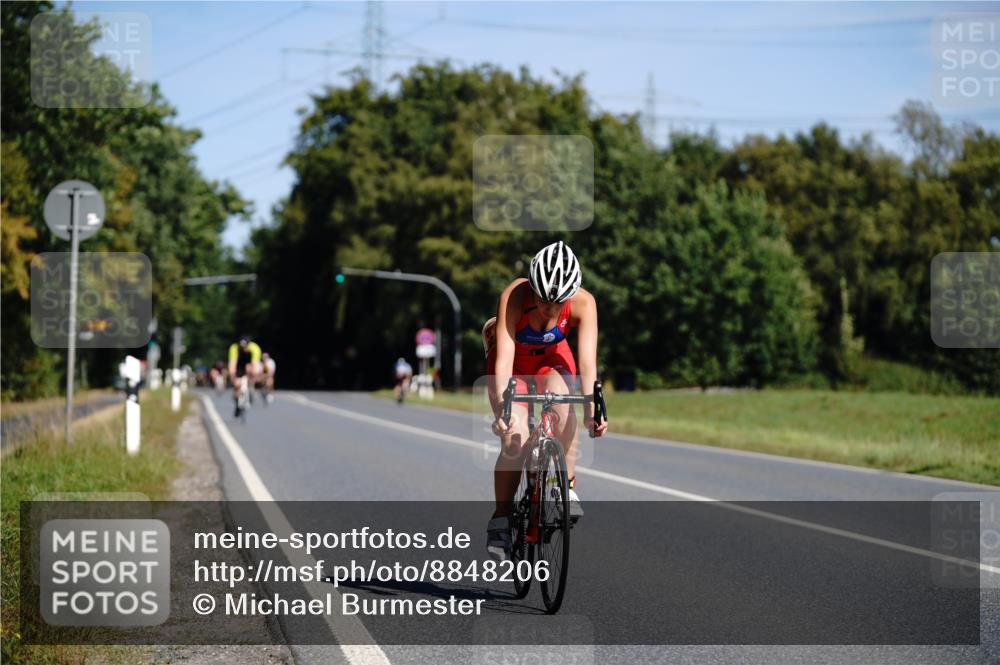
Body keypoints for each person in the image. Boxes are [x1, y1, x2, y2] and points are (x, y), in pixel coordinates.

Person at [482, 241, 608, 562]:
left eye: (559, 302)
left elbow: (588, 364)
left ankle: (565, 485)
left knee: (565, 405)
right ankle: (501, 519)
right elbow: (503, 361)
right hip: (514, 364)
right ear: (532, 289)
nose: (550, 309)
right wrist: (504, 411)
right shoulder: (514, 296)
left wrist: (593, 409)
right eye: (542, 300)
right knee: (515, 437)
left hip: (552, 360)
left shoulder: (584, 303)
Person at [228, 334, 262, 417]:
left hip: (250, 364)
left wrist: (255, 376)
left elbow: (255, 365)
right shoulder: (234, 348)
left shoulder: (255, 348)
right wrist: (232, 376)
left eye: (245, 346)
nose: (243, 348)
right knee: (237, 385)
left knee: (251, 371)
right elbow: (232, 364)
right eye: (242, 346)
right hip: (239, 365)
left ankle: (250, 389)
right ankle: (237, 404)